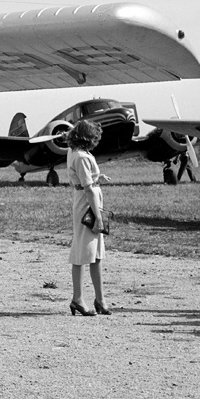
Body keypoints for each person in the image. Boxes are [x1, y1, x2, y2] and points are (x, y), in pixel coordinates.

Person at [65, 119, 111, 316]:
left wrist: (97, 178)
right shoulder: (82, 157)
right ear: (87, 139)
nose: (96, 142)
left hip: (86, 200)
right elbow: (88, 188)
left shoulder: (75, 153)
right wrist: (98, 217)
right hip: (87, 204)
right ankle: (78, 298)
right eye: (94, 138)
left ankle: (100, 299)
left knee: (96, 253)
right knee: (83, 251)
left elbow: (85, 180)